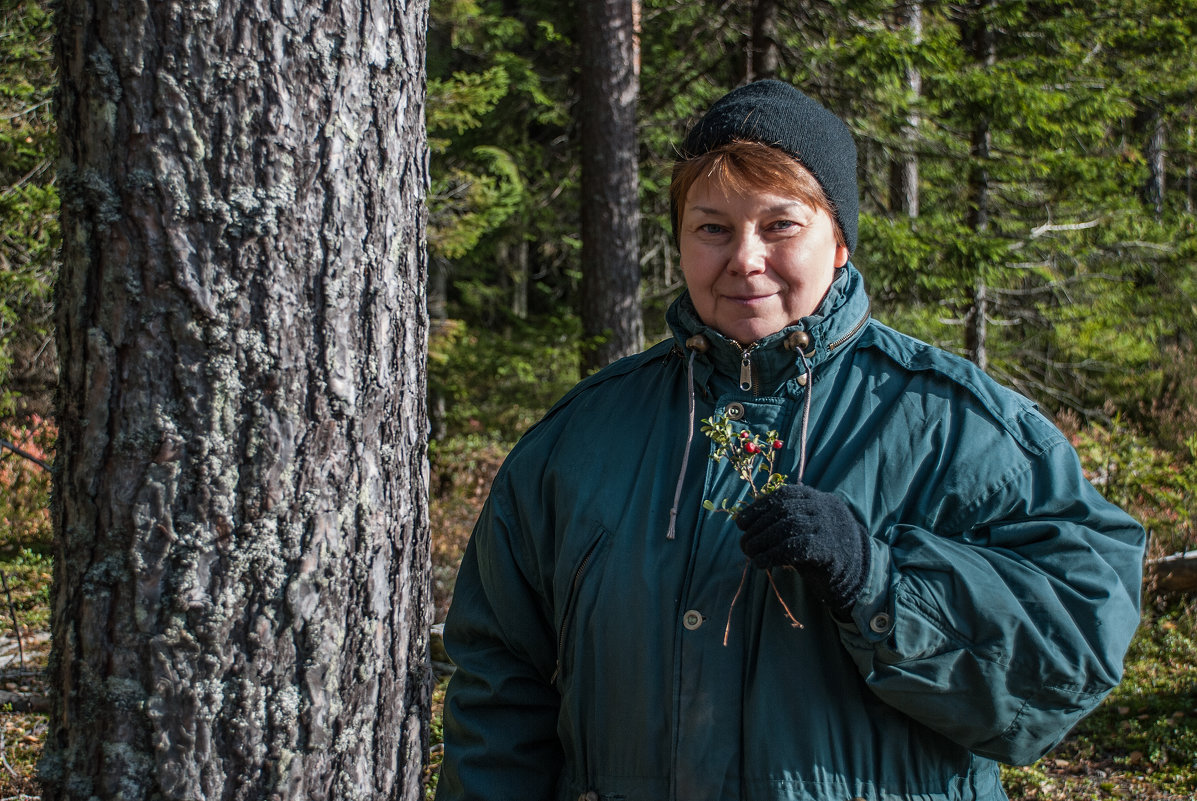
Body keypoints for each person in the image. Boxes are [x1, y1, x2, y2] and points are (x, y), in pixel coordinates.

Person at [434, 79, 1145, 801]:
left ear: (837, 241)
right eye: (712, 227)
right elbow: (497, 692)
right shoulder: (577, 440)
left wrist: (880, 583)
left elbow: (1071, 653)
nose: (744, 257)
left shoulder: (959, 427)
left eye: (779, 225)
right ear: (680, 240)